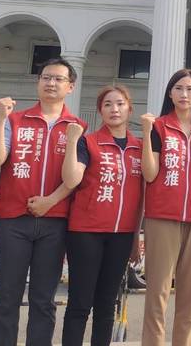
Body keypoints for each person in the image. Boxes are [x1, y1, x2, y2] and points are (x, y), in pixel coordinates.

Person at [0, 58, 87, 346]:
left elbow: (75, 178)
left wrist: (49, 203)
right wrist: (1, 118)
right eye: (46, 77)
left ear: (70, 86)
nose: (51, 83)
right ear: (38, 82)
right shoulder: (16, 120)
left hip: (54, 225)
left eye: (58, 79)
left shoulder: (77, 127)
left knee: (43, 300)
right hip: (13, 221)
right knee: (7, 296)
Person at [60, 85, 143, 346]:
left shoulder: (139, 148)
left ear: (129, 109)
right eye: (107, 104)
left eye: (119, 104)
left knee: (107, 304)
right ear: (100, 111)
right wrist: (73, 140)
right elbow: (72, 178)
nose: (114, 109)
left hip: (121, 236)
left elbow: (141, 199)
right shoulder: (89, 142)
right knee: (80, 303)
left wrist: (135, 239)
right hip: (86, 233)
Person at [140, 68, 191, 346]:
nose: (184, 94)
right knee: (157, 294)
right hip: (162, 219)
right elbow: (149, 174)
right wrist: (147, 134)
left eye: (190, 89)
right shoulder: (159, 126)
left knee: (189, 295)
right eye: (178, 88)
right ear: (170, 93)